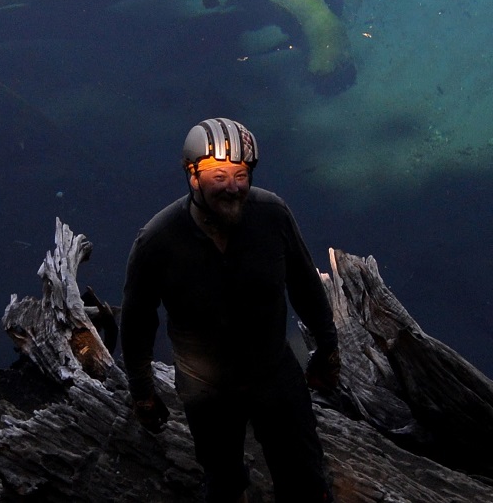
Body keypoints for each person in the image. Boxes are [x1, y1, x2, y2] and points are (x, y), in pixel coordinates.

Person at [121, 117, 341, 503]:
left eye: (240, 174)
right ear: (193, 177)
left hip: (275, 373)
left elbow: (305, 284)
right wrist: (142, 391)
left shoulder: (272, 215)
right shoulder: (157, 240)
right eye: (218, 175)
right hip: (207, 390)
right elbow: (138, 322)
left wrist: (327, 347)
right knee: (223, 481)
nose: (233, 187)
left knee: (306, 480)